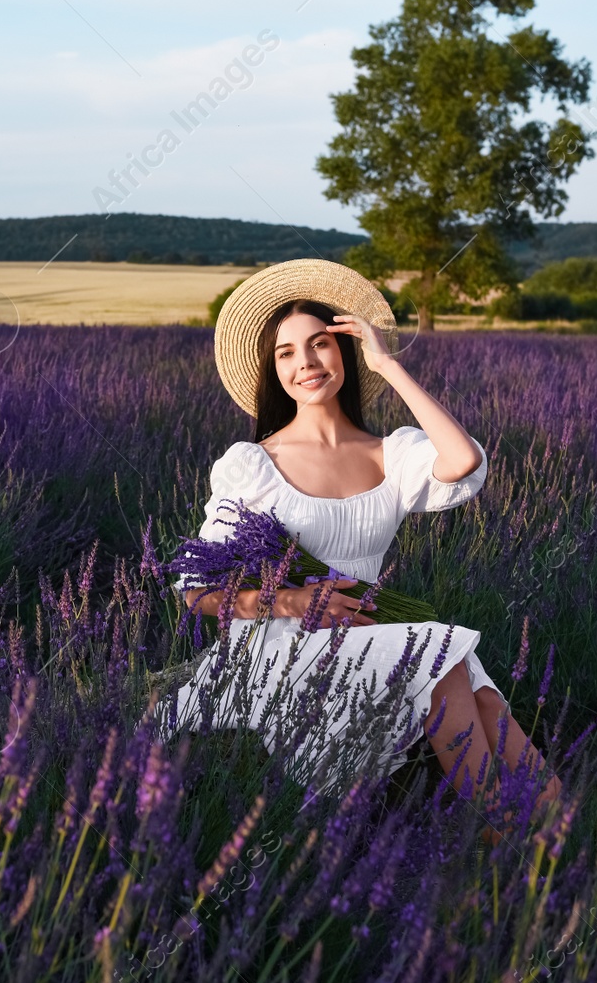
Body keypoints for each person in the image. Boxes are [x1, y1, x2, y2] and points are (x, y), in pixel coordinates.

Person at [168, 259, 561, 834]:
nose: (305, 363)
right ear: (272, 370)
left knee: (486, 699)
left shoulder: (391, 454)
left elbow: (463, 460)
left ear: (345, 350)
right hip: (284, 645)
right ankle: (512, 843)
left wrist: (389, 366)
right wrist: (295, 603)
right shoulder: (253, 465)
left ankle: (570, 839)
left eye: (321, 343)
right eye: (285, 353)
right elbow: (196, 592)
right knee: (445, 658)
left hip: (370, 629)